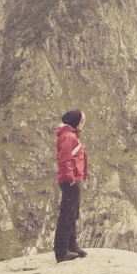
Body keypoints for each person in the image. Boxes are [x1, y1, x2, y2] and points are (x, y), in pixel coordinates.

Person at [54, 109, 88, 262]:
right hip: (70, 181)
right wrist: (72, 179)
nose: (83, 124)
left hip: (74, 179)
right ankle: (61, 251)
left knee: (72, 213)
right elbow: (64, 160)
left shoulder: (71, 135)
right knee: (67, 215)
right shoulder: (68, 136)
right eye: (82, 122)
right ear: (76, 122)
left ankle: (72, 245)